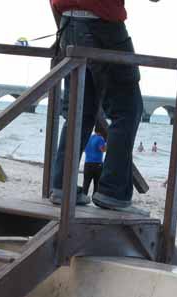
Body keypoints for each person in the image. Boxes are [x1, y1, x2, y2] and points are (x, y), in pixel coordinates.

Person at [49, 0, 159, 212]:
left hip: (67, 24)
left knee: (79, 110)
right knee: (127, 110)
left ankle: (62, 186)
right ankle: (113, 193)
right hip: (103, 26)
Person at [82, 129, 107, 196]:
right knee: (97, 185)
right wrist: (109, 144)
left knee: (86, 184)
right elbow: (102, 149)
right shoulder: (100, 139)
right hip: (97, 164)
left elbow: (84, 149)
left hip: (87, 163)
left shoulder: (89, 138)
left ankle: (83, 197)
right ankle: (95, 200)